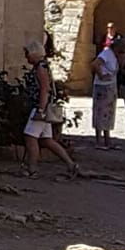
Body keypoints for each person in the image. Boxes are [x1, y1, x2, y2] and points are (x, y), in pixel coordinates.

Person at [22, 40, 82, 180]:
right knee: (47, 140)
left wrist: (41, 110)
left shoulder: (40, 68)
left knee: (31, 137)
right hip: (45, 106)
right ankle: (70, 164)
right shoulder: (44, 66)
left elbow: (44, 89)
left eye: (27, 53)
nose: (26, 57)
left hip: (40, 106)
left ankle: (32, 169)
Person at [90, 35, 120, 149]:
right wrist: (101, 75)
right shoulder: (106, 53)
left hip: (110, 86)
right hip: (102, 87)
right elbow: (95, 64)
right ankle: (98, 140)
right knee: (100, 112)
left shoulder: (113, 55)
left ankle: (107, 139)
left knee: (109, 113)